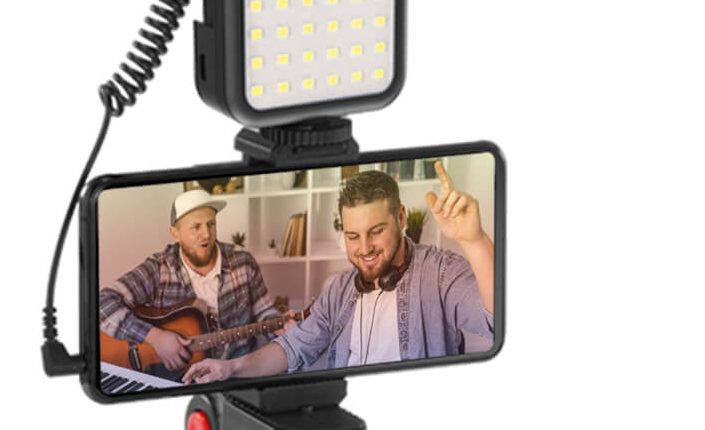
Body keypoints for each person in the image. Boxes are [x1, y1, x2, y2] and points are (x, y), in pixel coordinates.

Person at [183, 161, 493, 385]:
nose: (365, 248)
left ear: (401, 218)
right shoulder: (340, 289)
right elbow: (292, 348)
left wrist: (474, 240)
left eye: (376, 231)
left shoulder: (439, 272)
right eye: (353, 236)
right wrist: (229, 368)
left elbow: (497, 318)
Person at [98, 187, 292, 377]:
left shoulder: (243, 261)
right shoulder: (159, 268)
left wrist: (278, 325)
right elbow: (101, 303)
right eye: (196, 227)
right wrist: (155, 338)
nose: (206, 234)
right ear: (175, 234)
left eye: (211, 224)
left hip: (238, 369)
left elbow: (264, 311)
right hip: (180, 378)